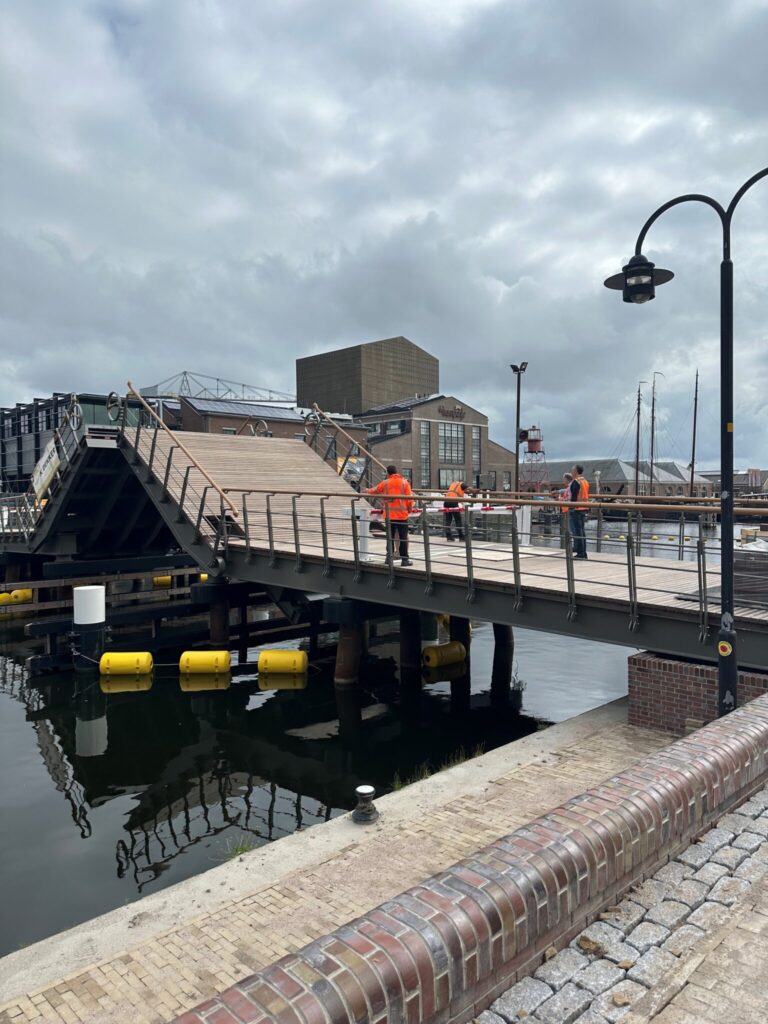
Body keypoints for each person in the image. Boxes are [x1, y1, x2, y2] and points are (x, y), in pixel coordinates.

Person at [367, 465, 414, 566]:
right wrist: (409, 510)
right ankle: (405, 560)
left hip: (389, 515)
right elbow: (409, 499)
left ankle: (389, 558)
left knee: (390, 537)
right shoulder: (404, 482)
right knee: (403, 537)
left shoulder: (386, 482)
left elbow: (375, 491)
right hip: (402, 515)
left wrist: (367, 491)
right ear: (396, 472)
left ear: (388, 473)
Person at [568, 464, 590, 559]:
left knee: (577, 532)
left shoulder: (576, 482)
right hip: (584, 508)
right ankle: (583, 552)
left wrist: (570, 507)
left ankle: (581, 554)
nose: (571, 472)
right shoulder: (585, 481)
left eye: (572, 470)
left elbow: (573, 497)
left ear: (576, 471)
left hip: (576, 509)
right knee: (582, 532)